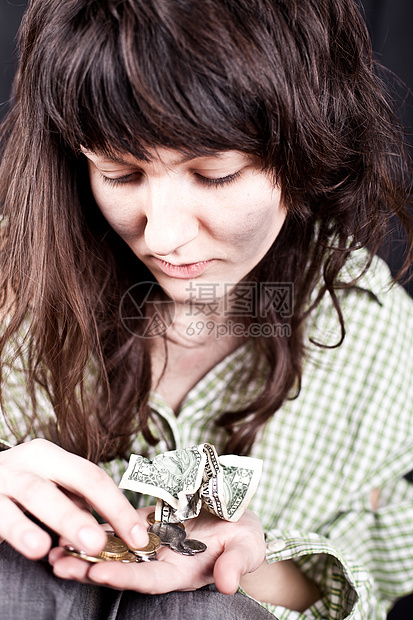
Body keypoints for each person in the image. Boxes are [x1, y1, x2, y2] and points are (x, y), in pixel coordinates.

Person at [0, 0, 412, 618]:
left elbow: (371, 566)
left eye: (214, 174)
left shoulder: (375, 334)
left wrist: (248, 566)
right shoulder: (13, 270)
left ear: (308, 144)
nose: (161, 237)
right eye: (119, 173)